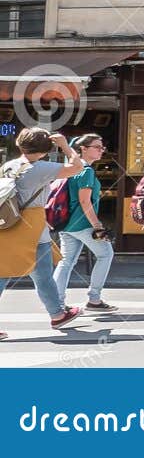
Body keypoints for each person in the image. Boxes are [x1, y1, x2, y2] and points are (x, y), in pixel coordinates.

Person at [0, 127, 86, 337]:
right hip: (31, 229)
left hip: (8, 224)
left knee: (35, 274)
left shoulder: (8, 166)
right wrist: (65, 145)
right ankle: (57, 314)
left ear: (20, 145)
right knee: (22, 275)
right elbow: (78, 167)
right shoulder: (41, 167)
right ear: (46, 149)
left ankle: (57, 313)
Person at [51, 134, 117, 313]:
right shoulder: (86, 171)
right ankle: (94, 299)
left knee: (66, 262)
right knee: (106, 254)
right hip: (83, 224)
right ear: (83, 149)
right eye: (97, 147)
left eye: (102, 147)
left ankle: (57, 302)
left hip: (66, 224)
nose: (101, 150)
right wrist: (97, 225)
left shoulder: (71, 168)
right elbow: (85, 201)